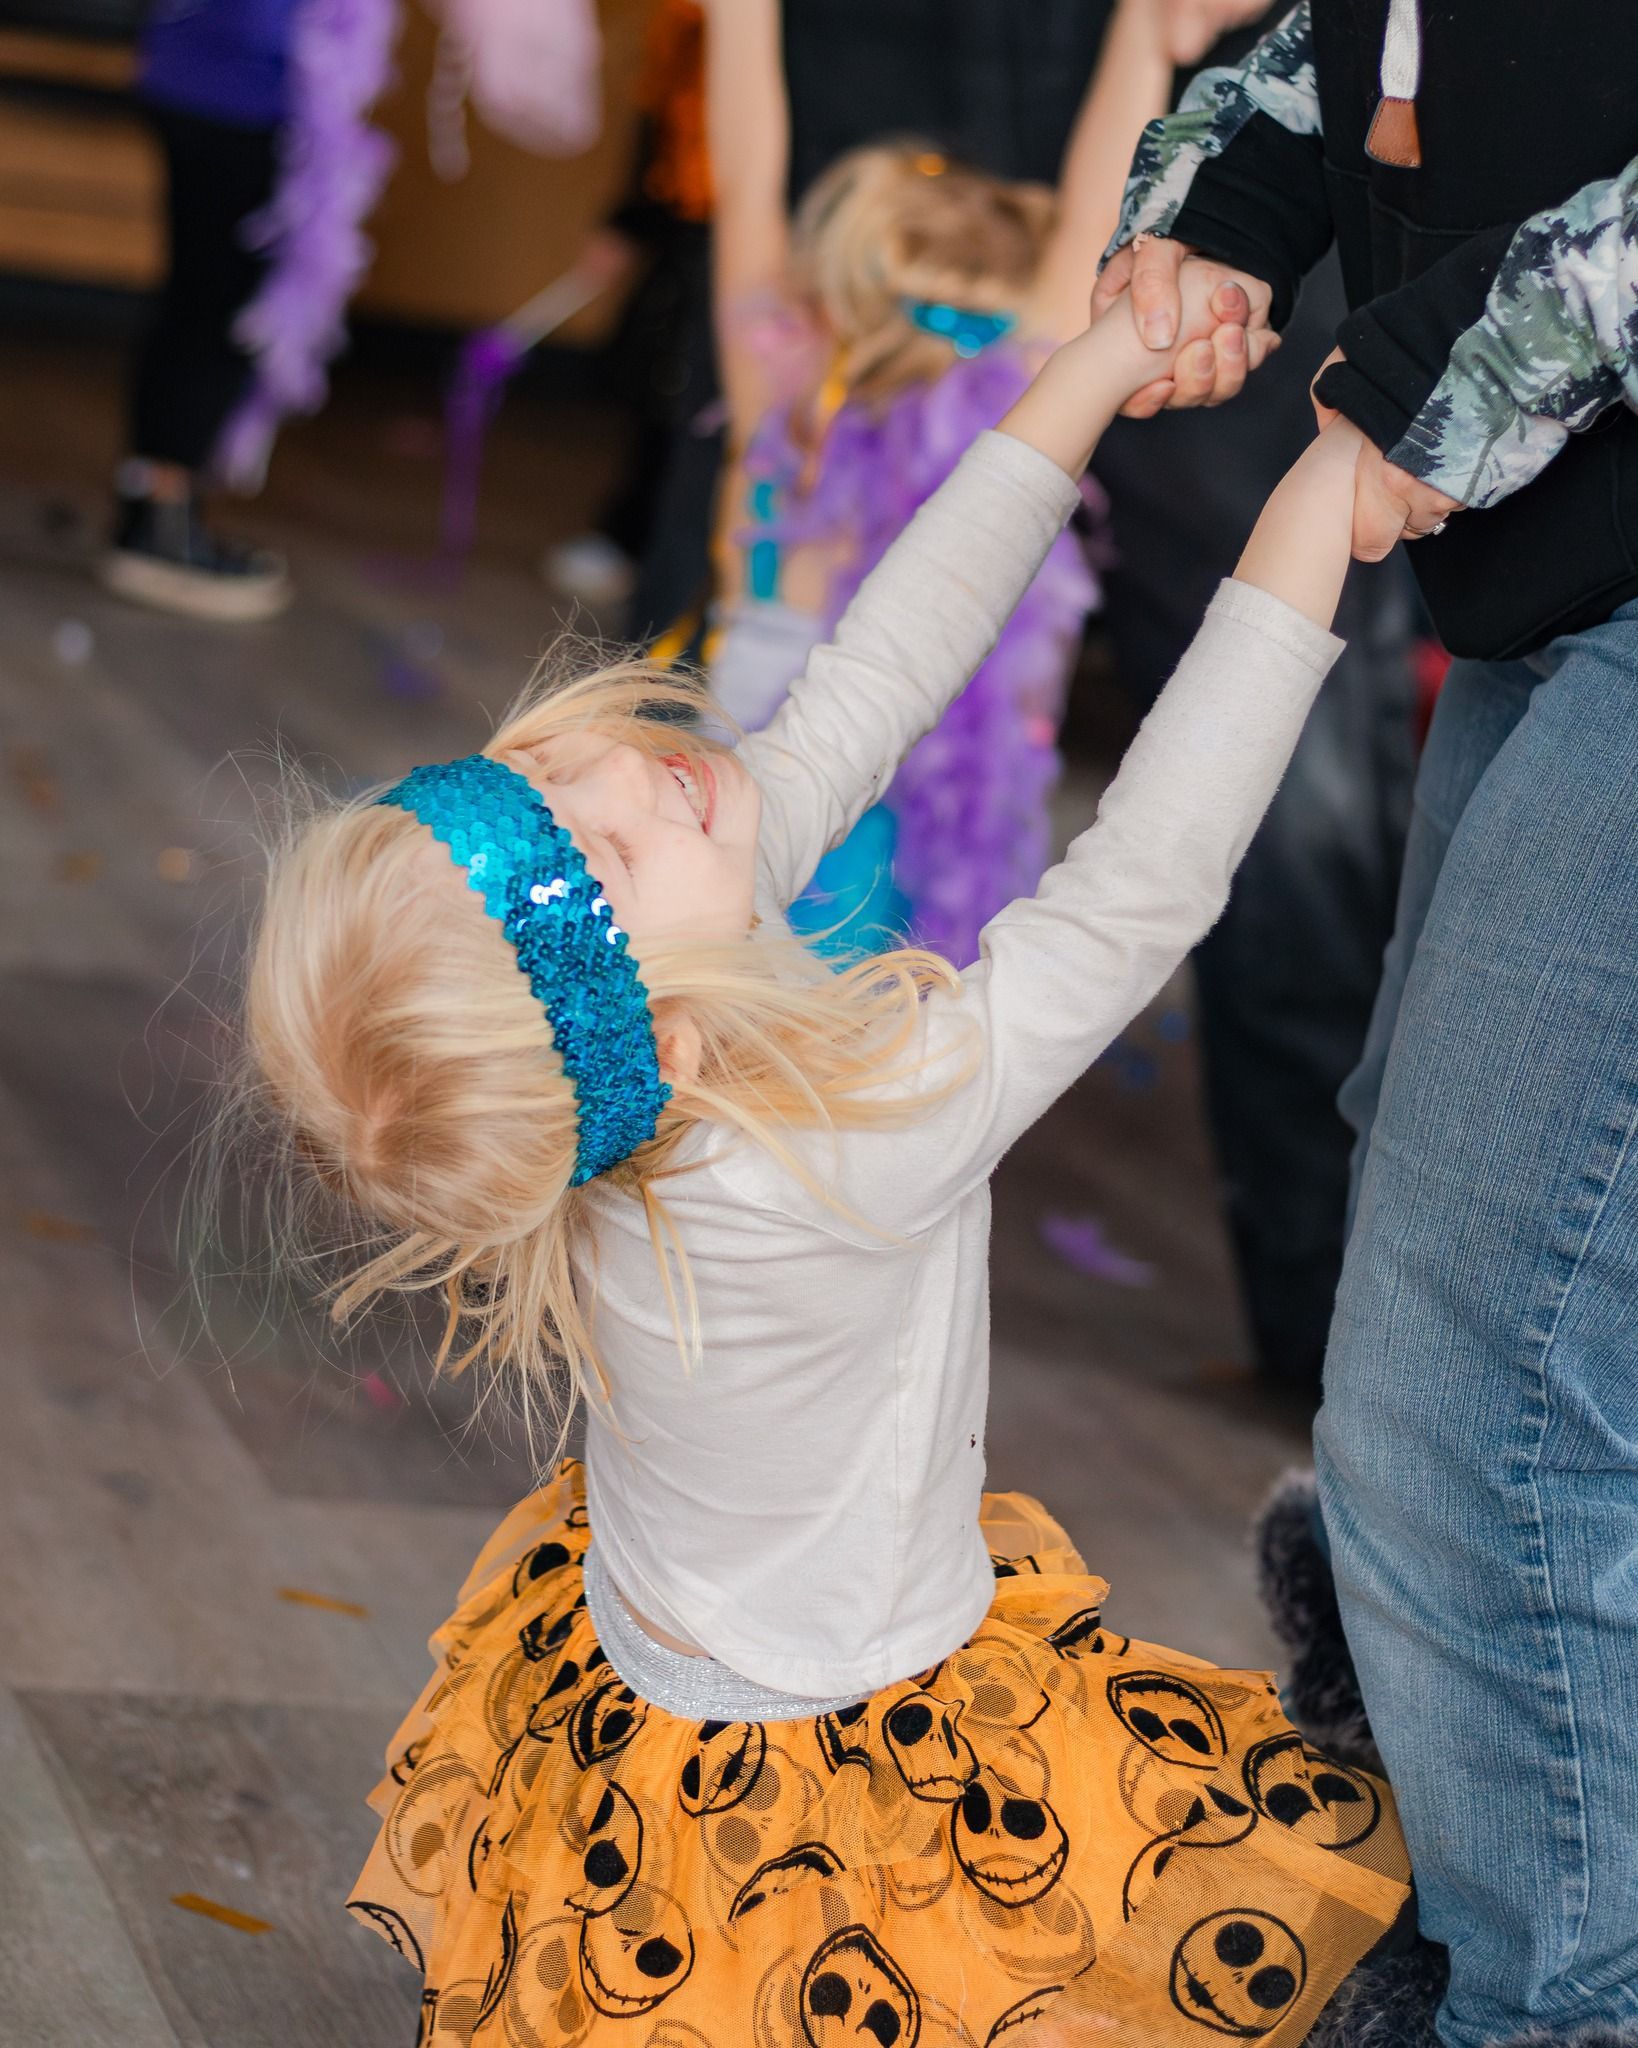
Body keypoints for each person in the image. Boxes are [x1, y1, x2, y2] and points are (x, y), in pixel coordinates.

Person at [236, 268, 1412, 2043]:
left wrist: (1089, 371)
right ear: (665, 1030)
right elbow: (1139, 880)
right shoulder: (836, 1149)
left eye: (568, 795)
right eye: (605, 856)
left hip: (671, 1694)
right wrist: (1315, 503)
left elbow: (873, 671)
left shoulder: (649, 1049)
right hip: (825, 1775)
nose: (638, 781)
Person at [1091, 5, 1638, 2042]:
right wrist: (1225, 197)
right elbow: (1365, 40)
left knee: (1467, 1396)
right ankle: (1507, 1922)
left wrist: (1437, 386)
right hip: (1552, 576)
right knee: (1482, 1328)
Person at [699, 0, 1177, 961]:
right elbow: (1097, 207)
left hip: (722, 903)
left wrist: (738, 20)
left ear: (822, 300)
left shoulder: (783, 426)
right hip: (927, 923)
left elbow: (748, 181)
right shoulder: (1013, 437)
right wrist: (1151, 29)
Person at [101, 0, 299, 621]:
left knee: (205, 304)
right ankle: (159, 524)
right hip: (231, 90)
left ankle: (159, 512)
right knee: (211, 310)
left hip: (214, 79)